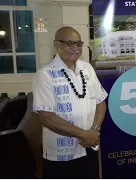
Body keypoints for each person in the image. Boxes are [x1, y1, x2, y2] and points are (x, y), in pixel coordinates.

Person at [32, 26, 108, 178]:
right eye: (69, 43)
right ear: (56, 45)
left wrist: (94, 130)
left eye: (78, 44)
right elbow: (47, 118)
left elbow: (100, 101)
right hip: (61, 155)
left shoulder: (87, 68)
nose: (75, 48)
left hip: (88, 147)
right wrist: (85, 135)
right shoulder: (45, 75)